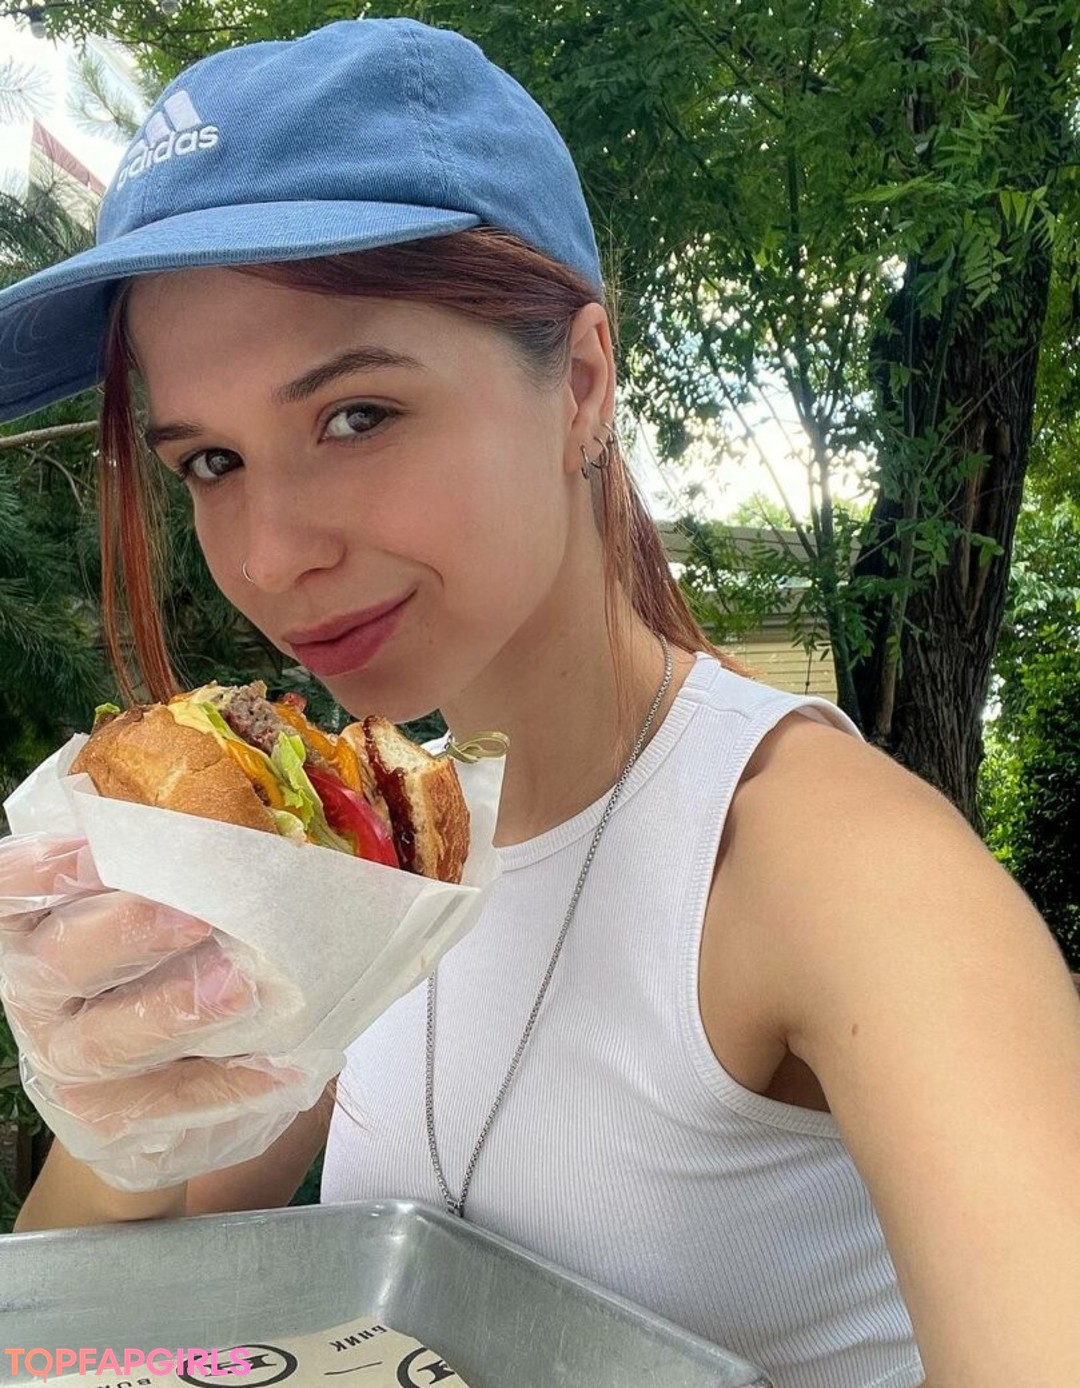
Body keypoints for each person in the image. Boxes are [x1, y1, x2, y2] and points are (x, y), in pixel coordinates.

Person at [0, 17, 1077, 1388]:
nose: (270, 557)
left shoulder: (839, 868)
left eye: (356, 416)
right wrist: (118, 1094)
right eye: (211, 461)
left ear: (579, 384)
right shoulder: (353, 858)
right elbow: (74, 1328)